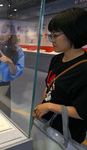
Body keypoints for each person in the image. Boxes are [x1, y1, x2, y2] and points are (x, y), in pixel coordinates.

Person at [34, 7, 87, 144]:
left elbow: (83, 112)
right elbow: (49, 87)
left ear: (73, 33)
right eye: (50, 35)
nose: (51, 40)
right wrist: (42, 107)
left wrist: (50, 107)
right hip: (47, 124)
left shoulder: (84, 69)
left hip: (67, 134)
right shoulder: (56, 59)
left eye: (55, 35)